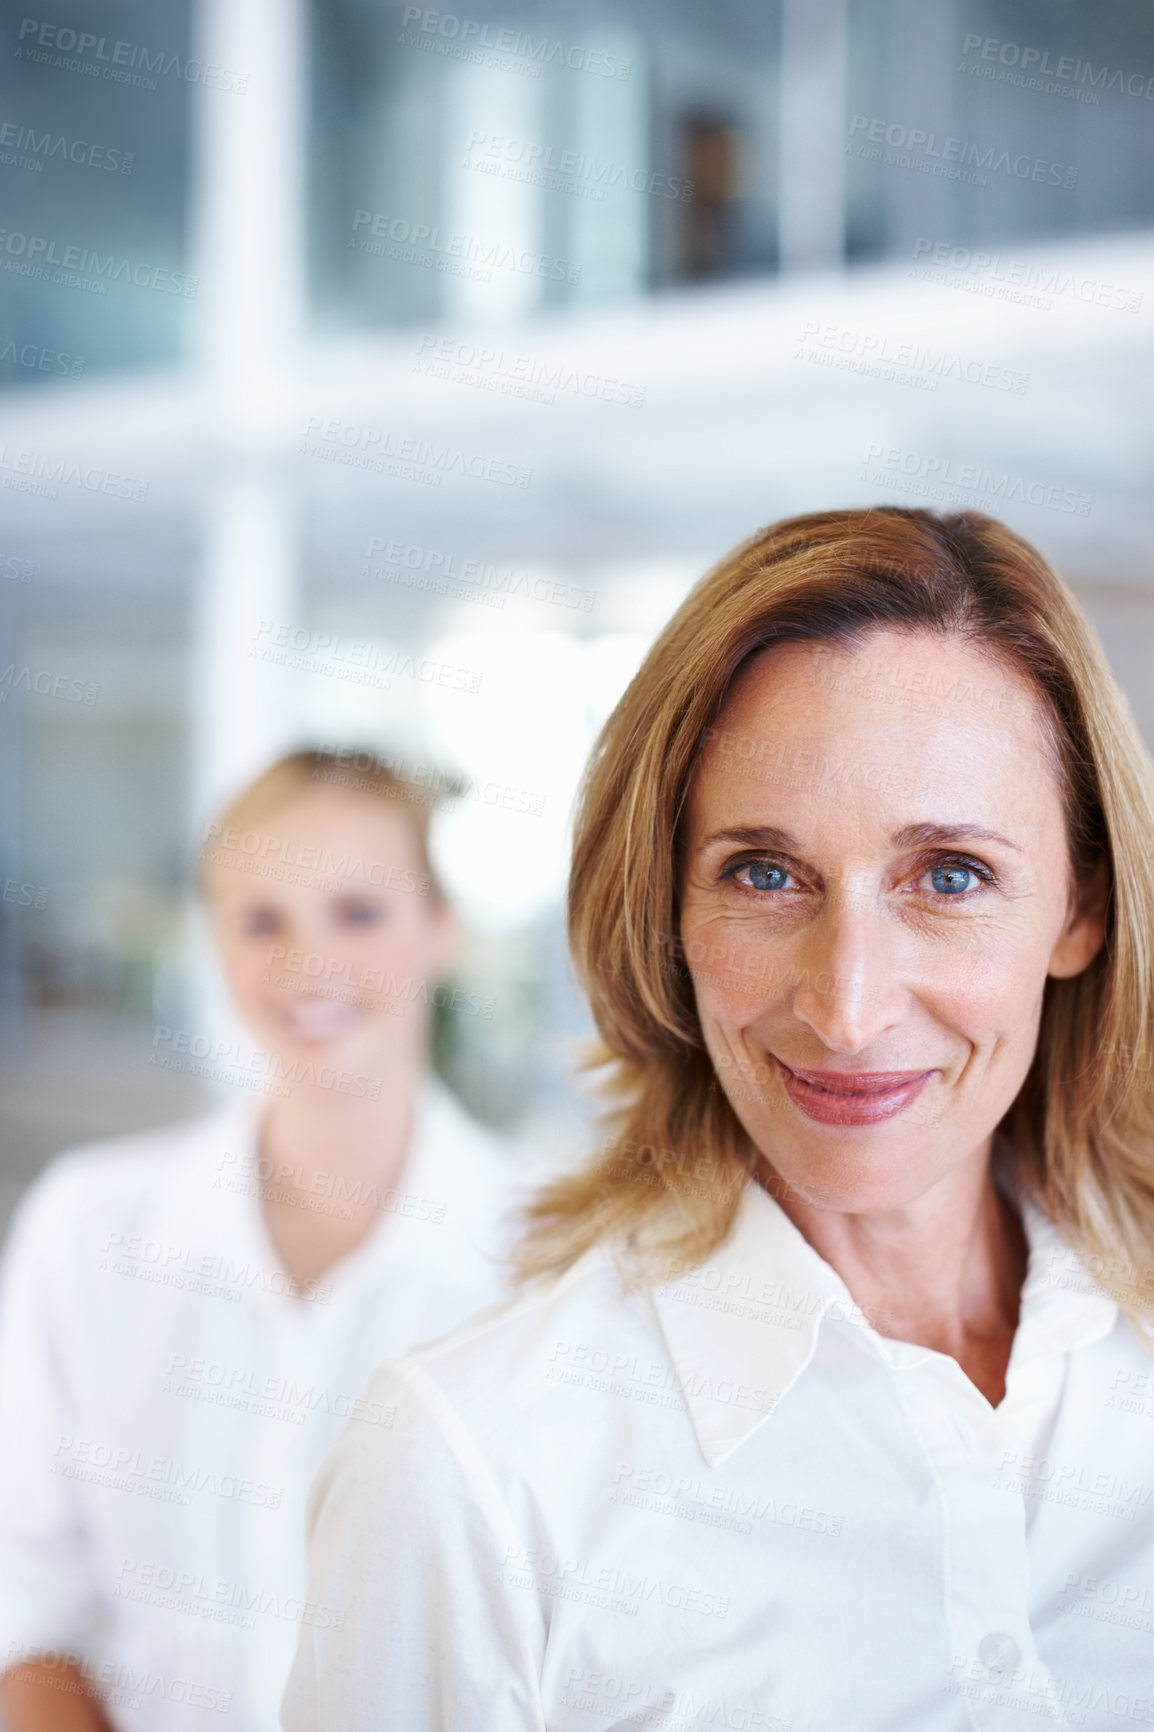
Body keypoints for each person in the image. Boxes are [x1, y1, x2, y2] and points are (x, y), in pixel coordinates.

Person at [284, 508, 1154, 1730]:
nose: (845, 1008)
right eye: (763, 873)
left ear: (1080, 909)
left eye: (947, 874)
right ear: (665, 913)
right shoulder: (473, 1473)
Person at [0, 748, 525, 1731]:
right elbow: (27, 1607)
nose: (306, 963)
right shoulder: (87, 1228)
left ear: (439, 927)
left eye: (357, 913)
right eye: (260, 920)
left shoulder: (550, 1251)